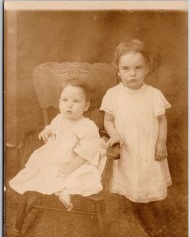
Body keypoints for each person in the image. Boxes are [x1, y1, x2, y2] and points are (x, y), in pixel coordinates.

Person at [9, 80, 105, 211]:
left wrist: (70, 167)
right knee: (44, 171)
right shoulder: (60, 118)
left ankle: (65, 192)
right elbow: (52, 127)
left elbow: (87, 153)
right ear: (59, 101)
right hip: (56, 157)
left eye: (76, 101)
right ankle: (60, 190)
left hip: (78, 161)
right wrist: (47, 131)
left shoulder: (87, 126)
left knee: (76, 176)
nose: (69, 105)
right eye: (65, 100)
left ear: (86, 106)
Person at [100, 38, 172, 207]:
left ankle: (147, 203)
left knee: (148, 172)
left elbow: (162, 120)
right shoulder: (113, 94)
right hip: (126, 144)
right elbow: (108, 120)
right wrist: (115, 135)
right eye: (126, 68)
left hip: (148, 144)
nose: (132, 74)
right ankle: (128, 202)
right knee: (128, 174)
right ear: (118, 70)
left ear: (146, 68)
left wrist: (161, 142)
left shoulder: (154, 94)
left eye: (138, 68)